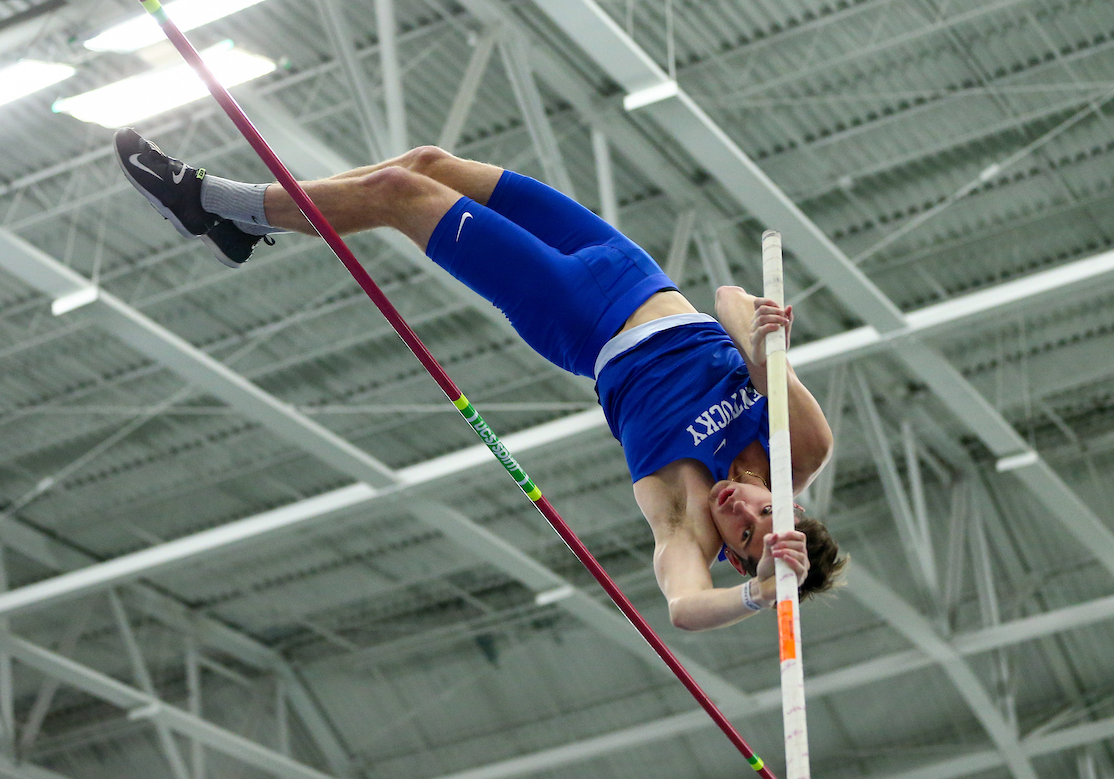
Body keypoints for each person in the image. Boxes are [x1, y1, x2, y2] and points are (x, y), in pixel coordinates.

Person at [115, 128, 847, 631]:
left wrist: (753, 596)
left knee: (401, 193)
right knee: (429, 162)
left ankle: (212, 203)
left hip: (578, 315)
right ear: (783, 504)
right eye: (757, 514)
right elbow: (727, 300)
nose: (737, 510)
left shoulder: (685, 522)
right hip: (632, 268)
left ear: (734, 555)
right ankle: (246, 226)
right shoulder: (799, 447)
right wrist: (757, 343)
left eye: (740, 537)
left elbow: (685, 608)